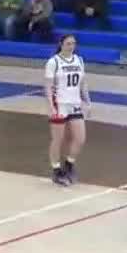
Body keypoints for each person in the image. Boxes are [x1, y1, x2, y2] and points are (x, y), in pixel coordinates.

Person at [43, 34, 89, 186]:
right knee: (58, 139)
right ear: (61, 44)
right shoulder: (53, 62)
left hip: (75, 103)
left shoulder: (79, 60)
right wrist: (50, 105)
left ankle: (69, 164)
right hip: (59, 103)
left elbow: (83, 83)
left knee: (80, 138)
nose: (71, 46)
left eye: (73, 43)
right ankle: (56, 170)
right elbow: (48, 86)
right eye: (68, 43)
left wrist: (87, 100)